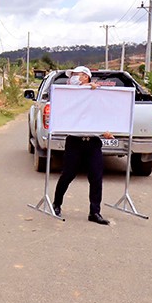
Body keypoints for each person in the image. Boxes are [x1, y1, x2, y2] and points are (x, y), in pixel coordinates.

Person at [51, 66, 112, 225]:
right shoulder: (71, 93)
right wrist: (84, 88)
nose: (73, 78)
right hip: (74, 141)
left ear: (86, 77)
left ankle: (95, 212)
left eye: (77, 75)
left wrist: (107, 130)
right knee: (68, 174)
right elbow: (66, 95)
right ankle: (56, 204)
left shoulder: (97, 96)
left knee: (96, 177)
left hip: (93, 142)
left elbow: (105, 113)